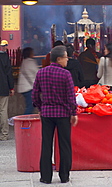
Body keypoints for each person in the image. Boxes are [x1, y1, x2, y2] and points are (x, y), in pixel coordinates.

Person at [32, 45, 78, 184]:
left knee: (46, 144)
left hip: (46, 114)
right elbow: (71, 96)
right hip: (63, 114)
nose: (67, 60)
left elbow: (35, 94)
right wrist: (73, 112)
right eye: (66, 57)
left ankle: (45, 177)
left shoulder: (41, 73)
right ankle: (64, 176)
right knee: (64, 145)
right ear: (58, 59)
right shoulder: (66, 74)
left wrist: (40, 107)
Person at [17, 47, 38, 114]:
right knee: (30, 106)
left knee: (30, 106)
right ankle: (25, 122)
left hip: (25, 87)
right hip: (28, 88)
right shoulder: (29, 63)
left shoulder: (25, 62)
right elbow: (34, 76)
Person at [0, 40, 14, 141]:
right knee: (3, 110)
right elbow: (9, 73)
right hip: (3, 87)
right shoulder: (5, 57)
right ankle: (4, 134)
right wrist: (11, 87)